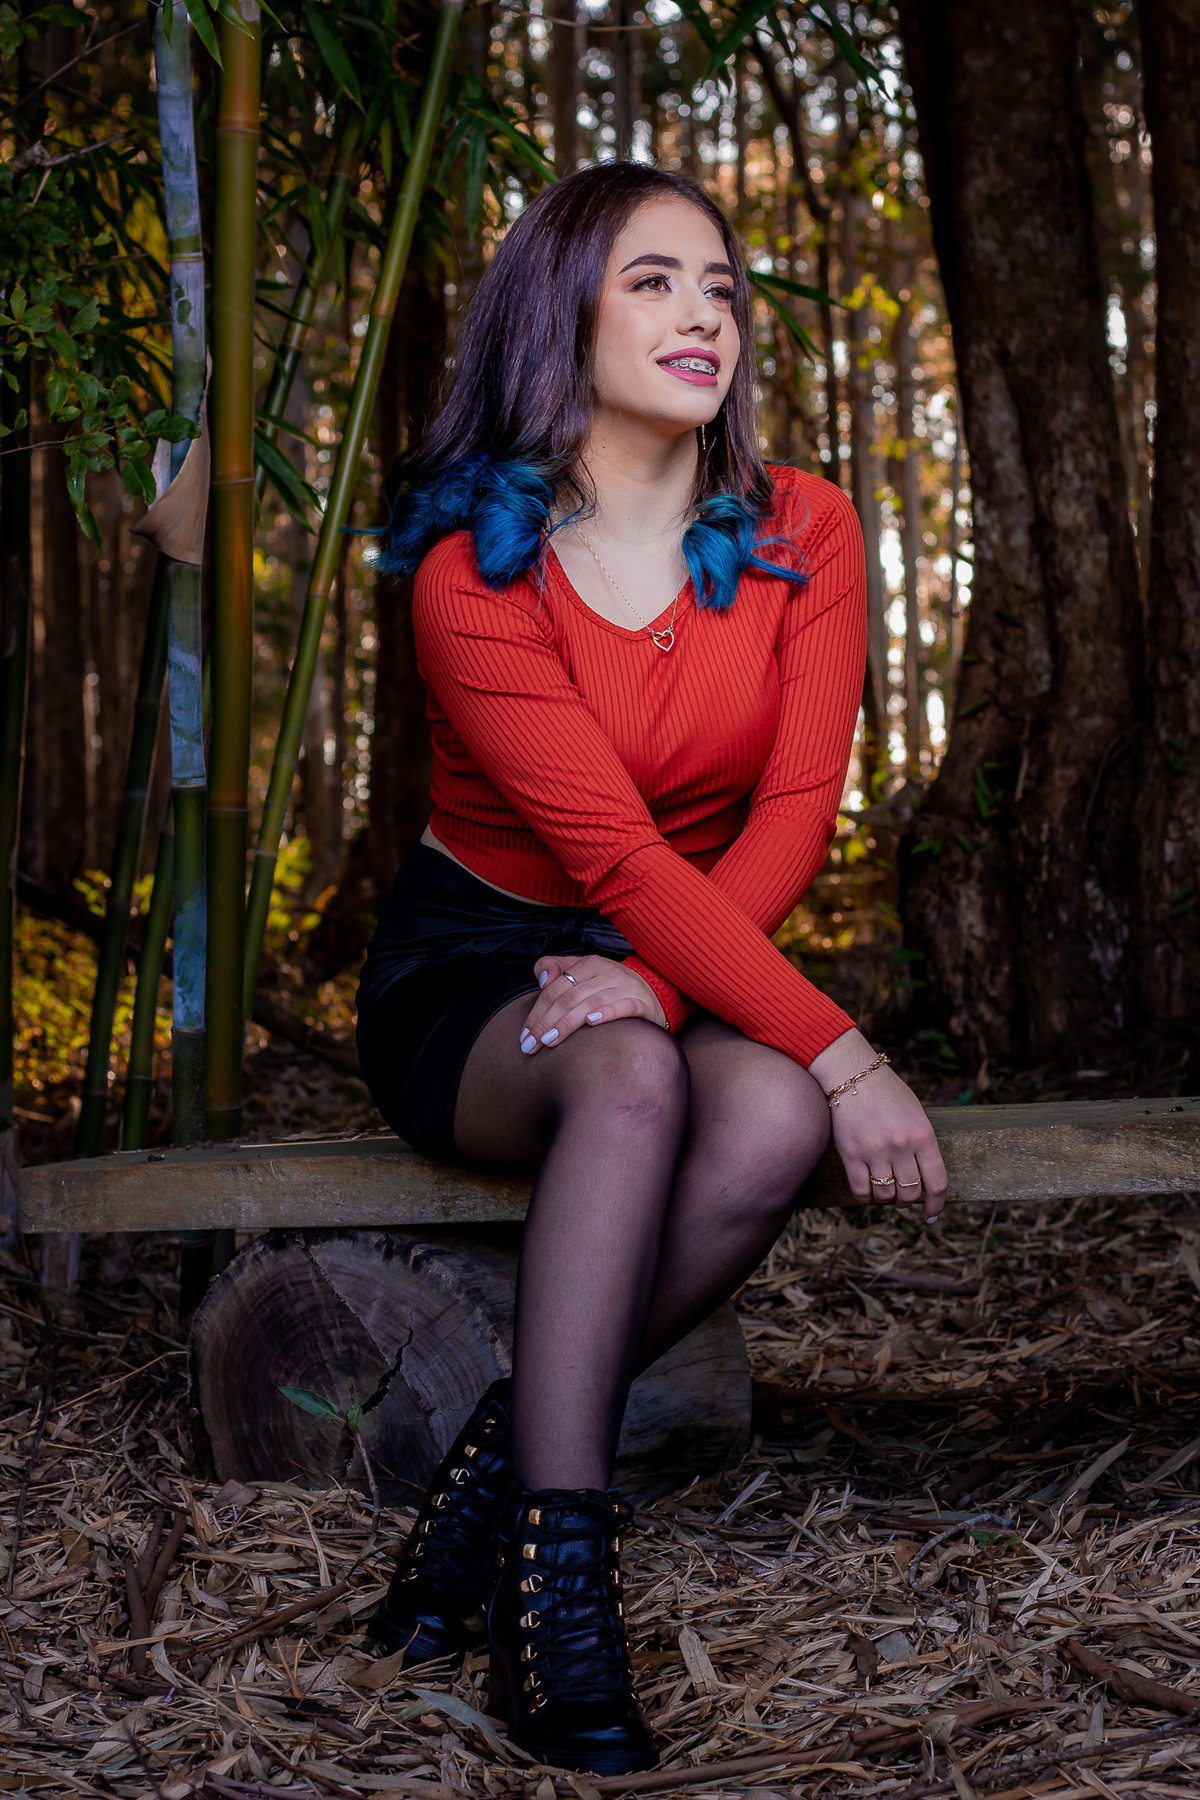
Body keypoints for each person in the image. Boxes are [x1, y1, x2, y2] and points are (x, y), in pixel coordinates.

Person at [355, 162, 948, 1777]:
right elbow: (614, 861)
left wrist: (697, 1000)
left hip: (688, 936)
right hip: (474, 968)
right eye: (655, 281)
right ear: (562, 312)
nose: (706, 316)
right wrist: (848, 1048)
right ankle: (560, 1591)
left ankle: (487, 1481)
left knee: (766, 1117)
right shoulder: (472, 575)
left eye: (723, 288)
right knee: (637, 1075)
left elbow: (796, 815)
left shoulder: (804, 527)